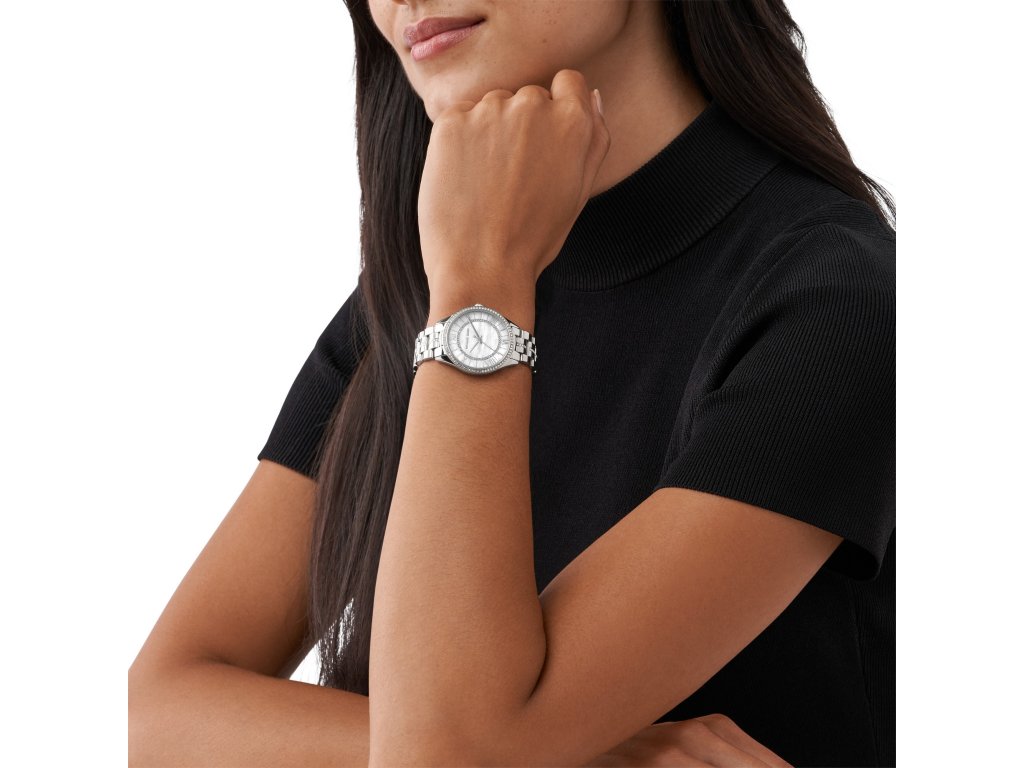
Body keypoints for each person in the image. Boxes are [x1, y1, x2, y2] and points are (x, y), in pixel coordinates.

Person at [129, 1, 895, 766]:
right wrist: (591, 757)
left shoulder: (840, 298)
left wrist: (483, 287)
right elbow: (152, 715)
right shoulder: (415, 294)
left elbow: (444, 755)